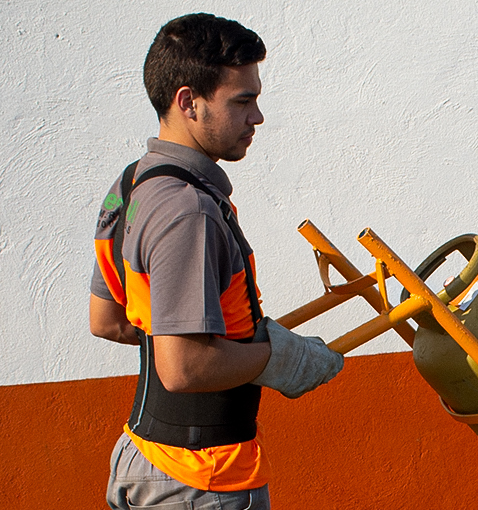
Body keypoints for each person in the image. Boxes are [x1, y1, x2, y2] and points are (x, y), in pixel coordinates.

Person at [89, 13, 343, 509]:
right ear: (189, 102)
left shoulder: (129, 188)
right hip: (200, 481)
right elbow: (183, 368)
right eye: (242, 101)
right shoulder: (190, 212)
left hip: (140, 461)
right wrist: (279, 357)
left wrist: (231, 343)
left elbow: (107, 320)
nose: (257, 117)